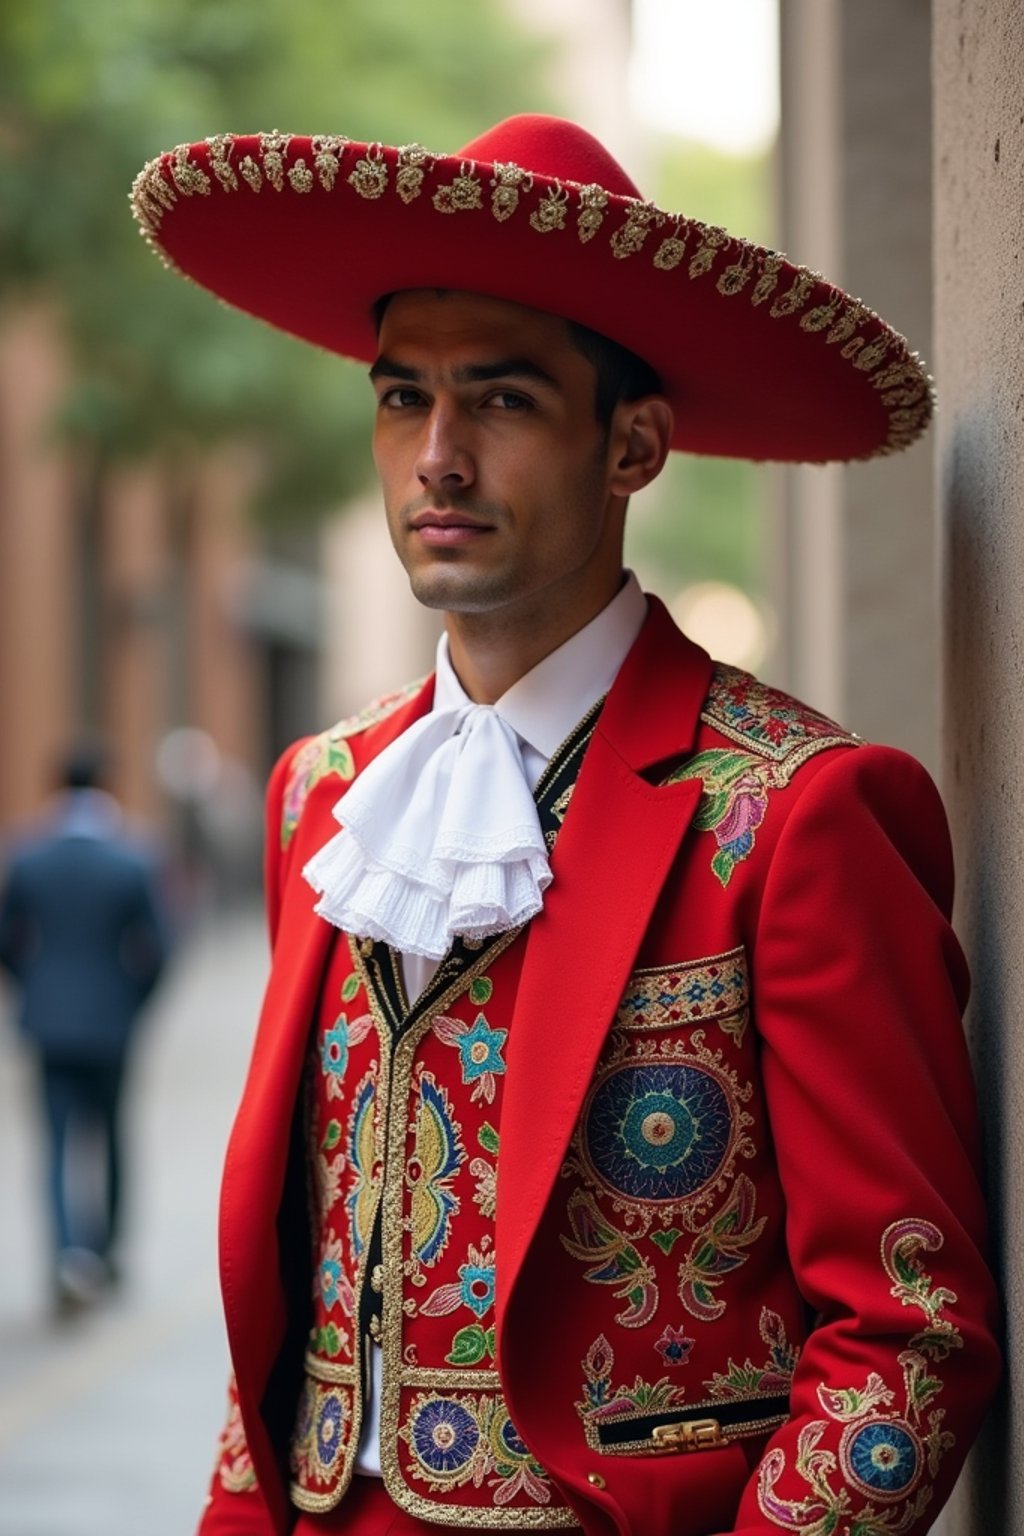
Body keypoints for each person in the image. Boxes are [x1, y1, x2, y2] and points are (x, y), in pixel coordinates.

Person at [130, 115, 999, 1535]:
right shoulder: (318, 796)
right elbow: (287, 1312)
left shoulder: (790, 811)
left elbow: (909, 1331)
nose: (439, 458)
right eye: (403, 399)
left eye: (506, 401)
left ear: (634, 446)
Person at [0, 746, 170, 1312]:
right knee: (113, 1137)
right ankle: (106, 1251)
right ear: (107, 785)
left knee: (55, 1144)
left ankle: (69, 1253)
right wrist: (133, 1001)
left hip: (47, 1024)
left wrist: (32, 988)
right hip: (112, 1021)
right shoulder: (133, 857)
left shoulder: (27, 855)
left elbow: (8, 943)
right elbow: (159, 949)